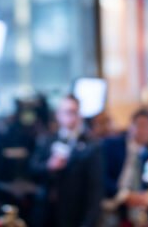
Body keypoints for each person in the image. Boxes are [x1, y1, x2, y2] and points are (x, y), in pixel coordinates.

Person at [30, 94, 103, 227]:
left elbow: (95, 189)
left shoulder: (91, 145)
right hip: (47, 213)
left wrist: (89, 222)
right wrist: (49, 166)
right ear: (58, 115)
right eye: (66, 112)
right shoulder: (47, 140)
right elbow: (32, 170)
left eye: (74, 112)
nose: (70, 116)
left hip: (74, 214)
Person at [102, 109, 148, 227]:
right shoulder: (112, 145)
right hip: (108, 206)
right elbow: (100, 178)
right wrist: (125, 196)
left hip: (132, 212)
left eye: (147, 126)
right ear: (131, 126)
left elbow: (147, 185)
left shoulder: (147, 155)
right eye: (139, 125)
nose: (142, 130)